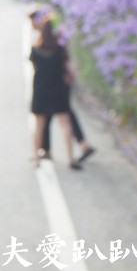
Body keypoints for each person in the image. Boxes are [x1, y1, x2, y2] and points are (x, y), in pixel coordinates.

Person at [28, 10, 95, 169]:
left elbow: (34, 68)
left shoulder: (35, 50)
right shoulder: (60, 50)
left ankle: (36, 158)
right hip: (58, 90)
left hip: (41, 90)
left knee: (39, 125)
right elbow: (69, 70)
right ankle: (70, 158)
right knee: (65, 124)